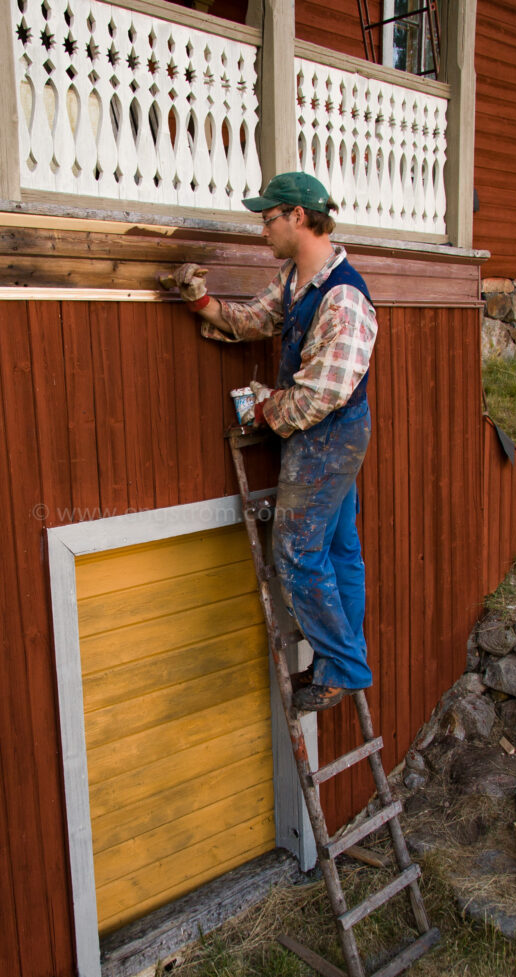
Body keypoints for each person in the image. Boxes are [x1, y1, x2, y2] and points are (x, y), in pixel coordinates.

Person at [167, 171, 378, 711]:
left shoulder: (344, 297)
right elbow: (253, 319)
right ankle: (342, 662)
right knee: (337, 549)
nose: (263, 229)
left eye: (269, 218)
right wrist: (201, 302)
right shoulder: (295, 281)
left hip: (329, 434)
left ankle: (344, 669)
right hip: (322, 432)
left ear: (299, 217)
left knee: (296, 553)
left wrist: (264, 407)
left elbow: (317, 397)